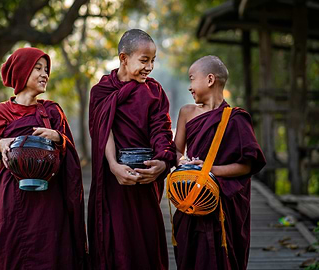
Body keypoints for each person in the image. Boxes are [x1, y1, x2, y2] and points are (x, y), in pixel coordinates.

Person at [0, 47, 87, 269]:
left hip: (50, 197)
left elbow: (69, 151)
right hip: (14, 197)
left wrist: (58, 137)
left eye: (47, 70)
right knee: (16, 250)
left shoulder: (52, 112)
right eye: (38, 68)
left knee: (52, 250)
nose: (45, 74)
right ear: (22, 71)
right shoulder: (1, 112)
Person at [88, 29, 176, 270]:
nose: (149, 67)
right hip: (113, 178)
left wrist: (162, 162)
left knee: (146, 239)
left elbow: (162, 129)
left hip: (145, 176)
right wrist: (115, 167)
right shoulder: (102, 91)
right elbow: (102, 131)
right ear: (124, 59)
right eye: (144, 60)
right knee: (116, 239)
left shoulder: (154, 91)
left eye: (153, 61)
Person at [173, 55, 266, 270]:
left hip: (223, 203)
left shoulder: (236, 118)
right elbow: (177, 150)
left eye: (192, 79)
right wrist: (185, 163)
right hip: (192, 195)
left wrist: (209, 170)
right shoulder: (187, 113)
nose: (189, 87)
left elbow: (248, 165)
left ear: (210, 79)